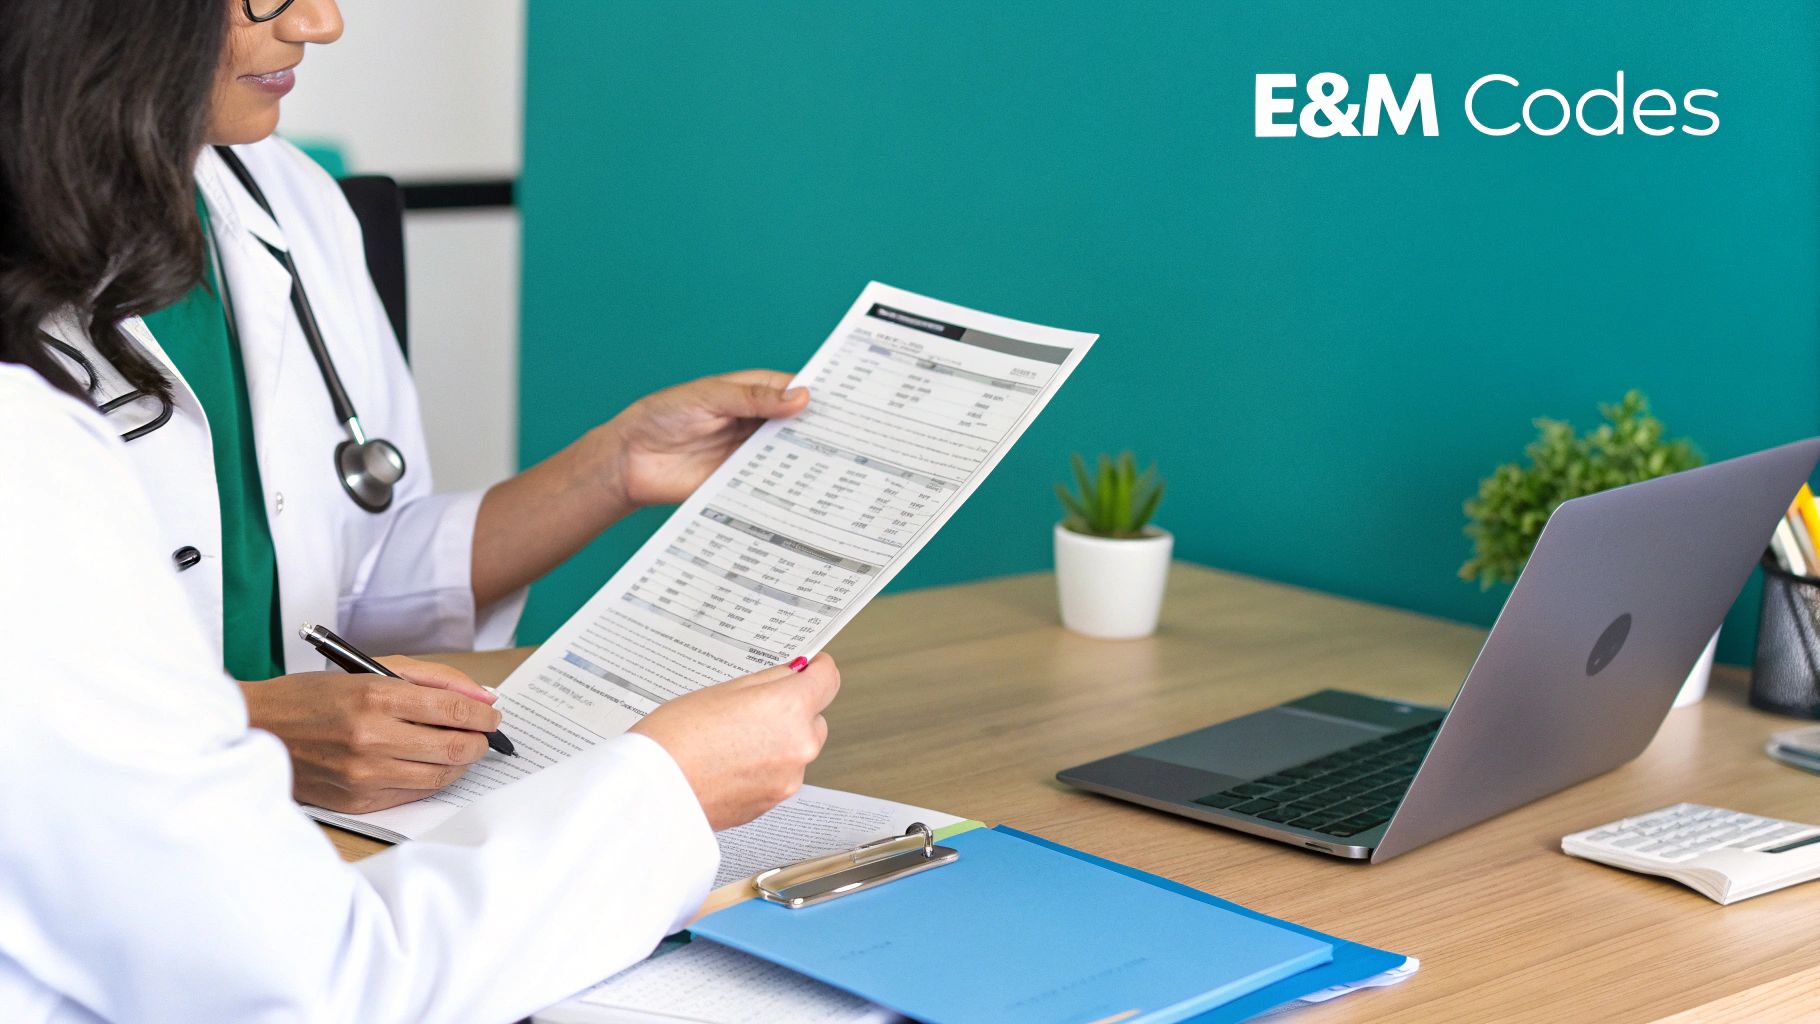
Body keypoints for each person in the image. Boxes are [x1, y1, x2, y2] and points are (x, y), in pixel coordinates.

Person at [0, 1, 839, 1019]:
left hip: (306, 844)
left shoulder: (284, 202)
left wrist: (613, 468)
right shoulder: (25, 440)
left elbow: (348, 577)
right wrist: (665, 790)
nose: (320, 19)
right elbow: (309, 987)